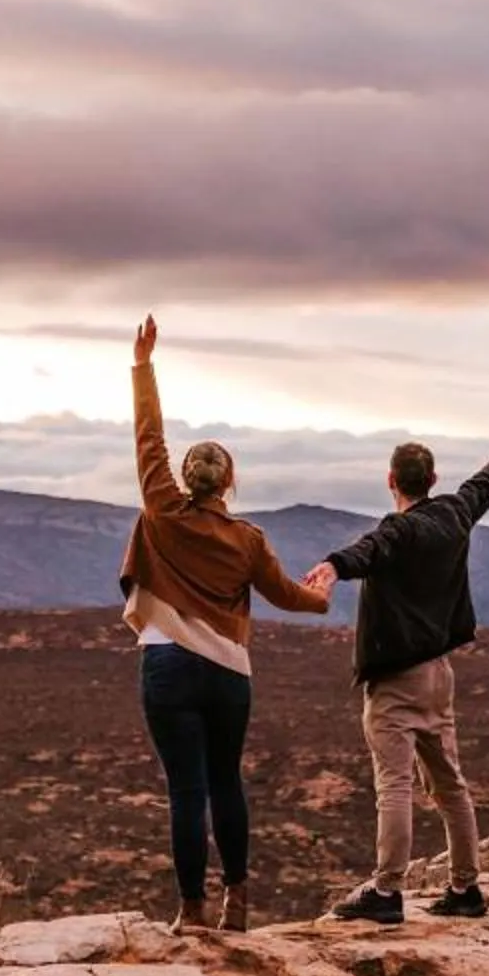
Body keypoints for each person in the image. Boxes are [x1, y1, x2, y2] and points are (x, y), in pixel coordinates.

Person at [301, 390, 489, 924]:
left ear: (391, 481)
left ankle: (387, 891)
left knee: (393, 785)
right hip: (440, 674)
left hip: (396, 680)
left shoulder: (399, 528)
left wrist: (331, 567)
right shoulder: (457, 512)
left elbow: (367, 551)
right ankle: (465, 889)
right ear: (433, 480)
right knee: (449, 785)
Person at [120, 314, 331, 931]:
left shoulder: (162, 509)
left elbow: (147, 437)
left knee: (185, 791)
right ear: (230, 482)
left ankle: (191, 911)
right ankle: (238, 903)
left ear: (186, 478)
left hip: (166, 664)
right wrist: (319, 597)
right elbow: (285, 596)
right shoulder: (248, 539)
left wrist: (143, 366)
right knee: (225, 783)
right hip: (228, 674)